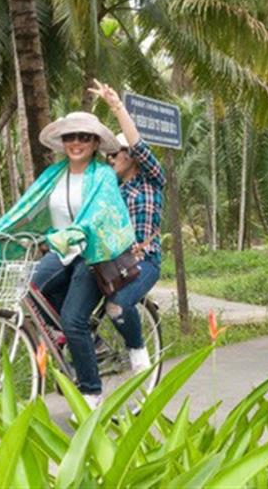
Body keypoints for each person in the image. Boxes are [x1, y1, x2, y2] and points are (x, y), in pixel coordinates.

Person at [0, 111, 135, 408]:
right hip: (61, 252)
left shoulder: (103, 177)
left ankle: (90, 394)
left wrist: (76, 232)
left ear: (96, 142)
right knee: (29, 291)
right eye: (69, 137)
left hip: (92, 256)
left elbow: (99, 214)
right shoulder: (53, 175)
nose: (76, 143)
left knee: (73, 320)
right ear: (62, 142)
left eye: (83, 137)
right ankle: (84, 342)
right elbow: (25, 208)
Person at [88, 79, 165, 374]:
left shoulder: (151, 181)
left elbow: (139, 147)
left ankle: (138, 354)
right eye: (108, 154)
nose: (110, 158)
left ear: (129, 156)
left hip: (144, 262)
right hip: (112, 264)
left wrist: (116, 106)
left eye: (115, 153)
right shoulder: (112, 192)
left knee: (117, 306)